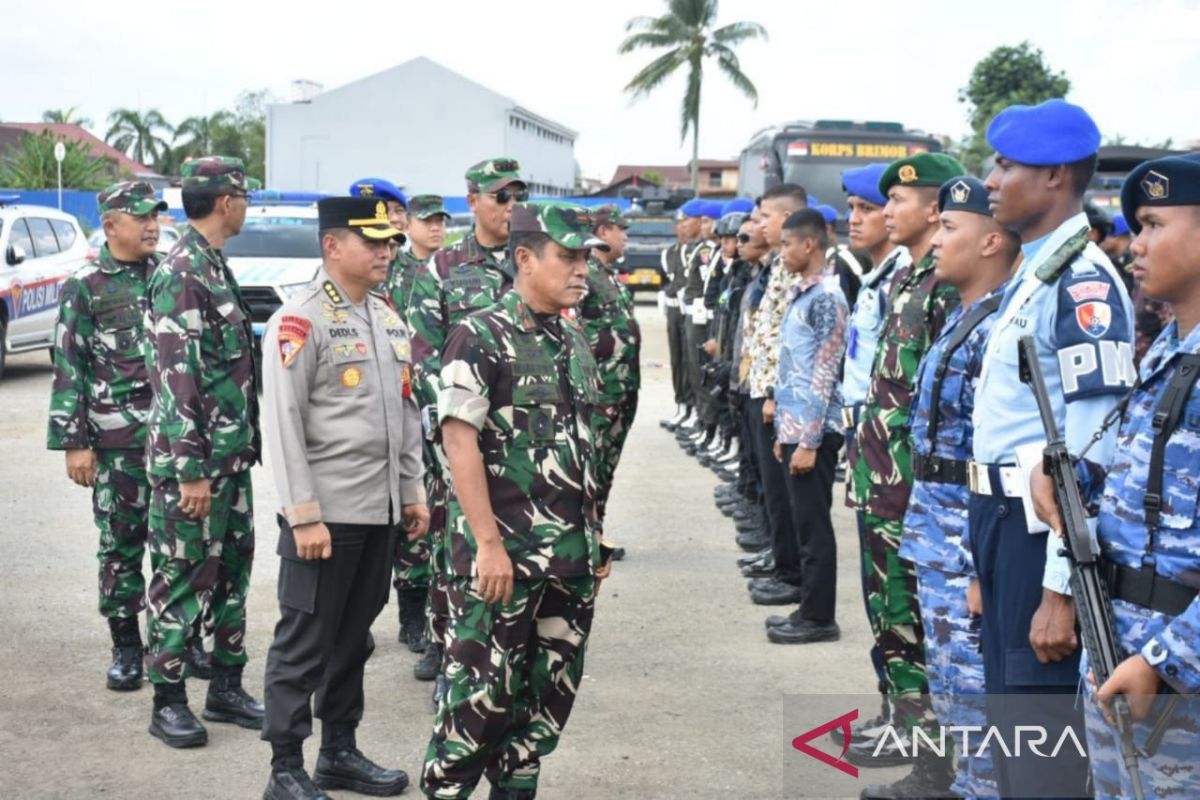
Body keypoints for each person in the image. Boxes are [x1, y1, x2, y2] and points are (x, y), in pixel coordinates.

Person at [969, 99, 1135, 798]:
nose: (991, 179)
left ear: (1056, 176)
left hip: (1043, 539)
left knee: (1041, 746)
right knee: (1014, 732)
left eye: (1007, 164)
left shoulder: (1084, 284)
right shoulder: (1037, 273)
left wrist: (1061, 589)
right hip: (1004, 527)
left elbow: (1092, 450)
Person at [421, 202, 613, 800]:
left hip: (569, 560)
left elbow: (583, 447)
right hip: (502, 562)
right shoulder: (479, 334)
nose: (582, 269)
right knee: (476, 708)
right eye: (568, 257)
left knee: (543, 708)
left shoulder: (572, 336)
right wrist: (487, 544)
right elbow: (459, 441)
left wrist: (596, 540)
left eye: (586, 258)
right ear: (525, 259)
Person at [1031, 151, 1200, 800]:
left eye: (1155, 224)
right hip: (1120, 654)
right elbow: (1140, 481)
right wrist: (1068, 479)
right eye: (1136, 225)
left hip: (1173, 676)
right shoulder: (1171, 346)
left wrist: (1165, 661)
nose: (1134, 243)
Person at [260, 196, 429, 800]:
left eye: (389, 242)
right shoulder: (299, 319)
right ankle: (285, 767)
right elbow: (282, 423)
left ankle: (338, 752)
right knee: (304, 639)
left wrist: (411, 490)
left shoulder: (385, 316)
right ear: (333, 246)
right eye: (373, 242)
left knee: (354, 637)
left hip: (378, 511)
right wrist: (302, 514)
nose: (386, 251)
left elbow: (405, 414)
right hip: (324, 517)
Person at [864, 177, 1018, 799]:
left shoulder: (1000, 326)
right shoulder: (964, 317)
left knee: (975, 690)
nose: (937, 242)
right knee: (952, 684)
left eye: (951, 228)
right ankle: (956, 781)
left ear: (992, 241)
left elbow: (997, 451)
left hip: (965, 539)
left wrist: (981, 560)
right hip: (935, 531)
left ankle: (974, 786)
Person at [844, 152, 965, 774]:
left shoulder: (946, 285)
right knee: (887, 611)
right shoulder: (905, 279)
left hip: (916, 488)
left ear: (938, 207)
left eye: (899, 200)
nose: (888, 209)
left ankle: (927, 743)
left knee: (916, 614)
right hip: (881, 478)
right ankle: (901, 717)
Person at [143, 156, 263, 747]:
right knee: (182, 577)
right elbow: (177, 379)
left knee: (232, 574)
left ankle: (225, 685)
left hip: (229, 462)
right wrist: (191, 470)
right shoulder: (184, 271)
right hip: (195, 470)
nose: (246, 205)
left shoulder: (213, 265)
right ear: (224, 201)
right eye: (243, 195)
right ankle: (168, 701)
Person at [407, 158, 526, 698]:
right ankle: (446, 642)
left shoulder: (535, 257)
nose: (510, 207)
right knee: (452, 544)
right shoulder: (445, 266)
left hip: (524, 438)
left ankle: (513, 643)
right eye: (501, 197)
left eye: (516, 196)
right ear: (473, 199)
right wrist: (457, 426)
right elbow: (424, 354)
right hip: (462, 434)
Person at [46, 181, 168, 691]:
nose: (151, 225)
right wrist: (75, 442)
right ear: (111, 224)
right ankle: (125, 647)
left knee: (178, 548)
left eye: (155, 216)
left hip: (171, 441)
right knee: (121, 546)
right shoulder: (86, 285)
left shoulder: (169, 276)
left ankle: (173, 644)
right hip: (117, 444)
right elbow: (67, 364)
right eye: (140, 217)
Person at [827, 163, 912, 751]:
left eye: (866, 209)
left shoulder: (913, 278)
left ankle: (912, 727)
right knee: (880, 602)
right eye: (852, 210)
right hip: (872, 453)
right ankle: (895, 712)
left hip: (896, 463)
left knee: (900, 603)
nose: (854, 220)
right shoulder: (886, 276)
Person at [762, 208, 847, 645]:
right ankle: (807, 609)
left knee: (814, 526)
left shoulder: (827, 297)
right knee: (802, 522)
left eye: (786, 244)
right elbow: (792, 366)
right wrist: (785, 433)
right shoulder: (804, 293)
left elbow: (824, 373)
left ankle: (818, 617)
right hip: (797, 430)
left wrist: (809, 440)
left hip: (816, 431)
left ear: (809, 244)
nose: (782, 253)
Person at [386, 194, 451, 655]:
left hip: (441, 405)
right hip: (396, 402)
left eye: (441, 221)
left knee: (432, 508)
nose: (436, 229)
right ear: (408, 224)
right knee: (400, 505)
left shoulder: (451, 271)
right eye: (427, 221)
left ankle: (423, 614)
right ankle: (408, 610)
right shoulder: (391, 268)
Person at [743, 183, 809, 606]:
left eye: (764, 216)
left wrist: (770, 391)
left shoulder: (797, 267)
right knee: (772, 484)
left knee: (788, 493)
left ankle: (791, 572)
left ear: (786, 219)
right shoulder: (777, 265)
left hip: (779, 395)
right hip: (762, 386)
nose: (758, 224)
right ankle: (781, 556)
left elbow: (792, 339)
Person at [576, 205, 641, 537]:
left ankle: (596, 524)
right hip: (601, 389)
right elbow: (570, 326)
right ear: (603, 233)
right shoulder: (583, 273)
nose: (625, 237)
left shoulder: (609, 274)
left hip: (622, 387)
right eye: (620, 230)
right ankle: (587, 531)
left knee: (607, 464)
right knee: (592, 462)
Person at [660, 201, 704, 430]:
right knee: (677, 359)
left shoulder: (698, 251)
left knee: (691, 361)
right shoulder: (670, 252)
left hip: (691, 310)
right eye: (679, 222)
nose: (681, 227)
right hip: (674, 309)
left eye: (686, 221)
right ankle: (682, 405)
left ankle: (694, 408)